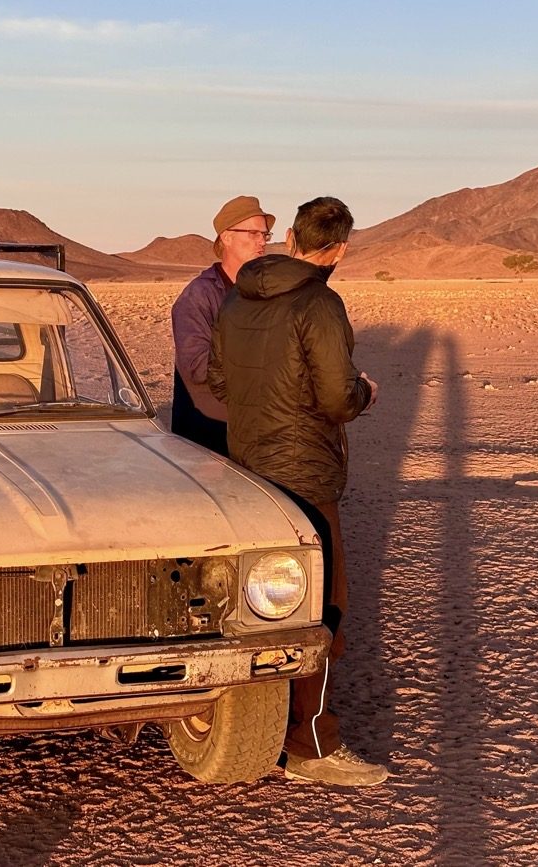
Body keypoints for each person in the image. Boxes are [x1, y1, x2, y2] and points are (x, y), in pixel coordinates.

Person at [207, 196, 385, 787]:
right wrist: (364, 394)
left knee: (259, 600)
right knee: (325, 605)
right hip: (305, 473)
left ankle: (254, 725)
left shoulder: (238, 294)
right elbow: (336, 398)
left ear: (289, 235)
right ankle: (311, 743)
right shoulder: (320, 302)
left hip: (248, 468)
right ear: (340, 249)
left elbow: (216, 378)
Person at [169, 196, 274, 456]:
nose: (262, 241)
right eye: (253, 233)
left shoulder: (266, 292)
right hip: (209, 434)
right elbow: (196, 366)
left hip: (256, 430)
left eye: (265, 235)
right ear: (226, 237)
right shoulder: (198, 296)